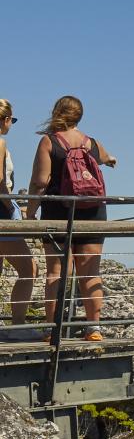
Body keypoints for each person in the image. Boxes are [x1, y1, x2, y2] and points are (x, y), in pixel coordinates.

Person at [24, 95, 117, 342]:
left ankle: (52, 329)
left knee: (55, 273)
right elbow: (107, 157)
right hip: (93, 213)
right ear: (79, 116)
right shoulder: (92, 143)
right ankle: (93, 328)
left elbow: (40, 182)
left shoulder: (49, 142)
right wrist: (110, 160)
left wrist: (31, 211)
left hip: (58, 214)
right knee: (90, 272)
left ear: (57, 112)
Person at [0, 99, 37, 328]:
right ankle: (18, 327)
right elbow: (0, 182)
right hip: (1, 213)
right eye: (11, 120)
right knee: (29, 268)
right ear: (4, 120)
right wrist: (12, 208)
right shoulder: (0, 143)